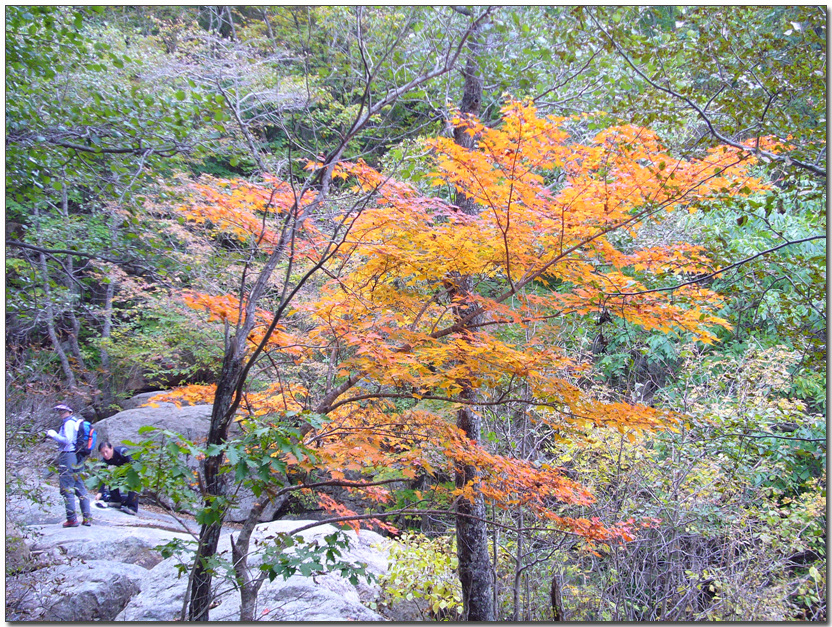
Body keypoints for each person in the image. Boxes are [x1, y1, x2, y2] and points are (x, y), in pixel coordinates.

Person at [45, 404, 92, 527]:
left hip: (68, 456)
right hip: (77, 456)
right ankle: (87, 518)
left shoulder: (69, 423)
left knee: (67, 487)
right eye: (59, 411)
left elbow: (67, 440)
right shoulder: (75, 423)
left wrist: (53, 435)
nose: (61, 413)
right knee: (79, 485)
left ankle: (72, 519)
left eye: (63, 411)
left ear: (70, 412)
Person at [95, 441, 139, 515]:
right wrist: (100, 492)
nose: (105, 455)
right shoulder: (105, 460)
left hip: (133, 469)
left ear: (111, 448)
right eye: (102, 453)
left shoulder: (123, 452)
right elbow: (102, 475)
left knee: (133, 483)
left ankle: (133, 508)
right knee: (112, 477)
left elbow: (134, 464)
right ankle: (116, 500)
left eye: (106, 451)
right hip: (122, 471)